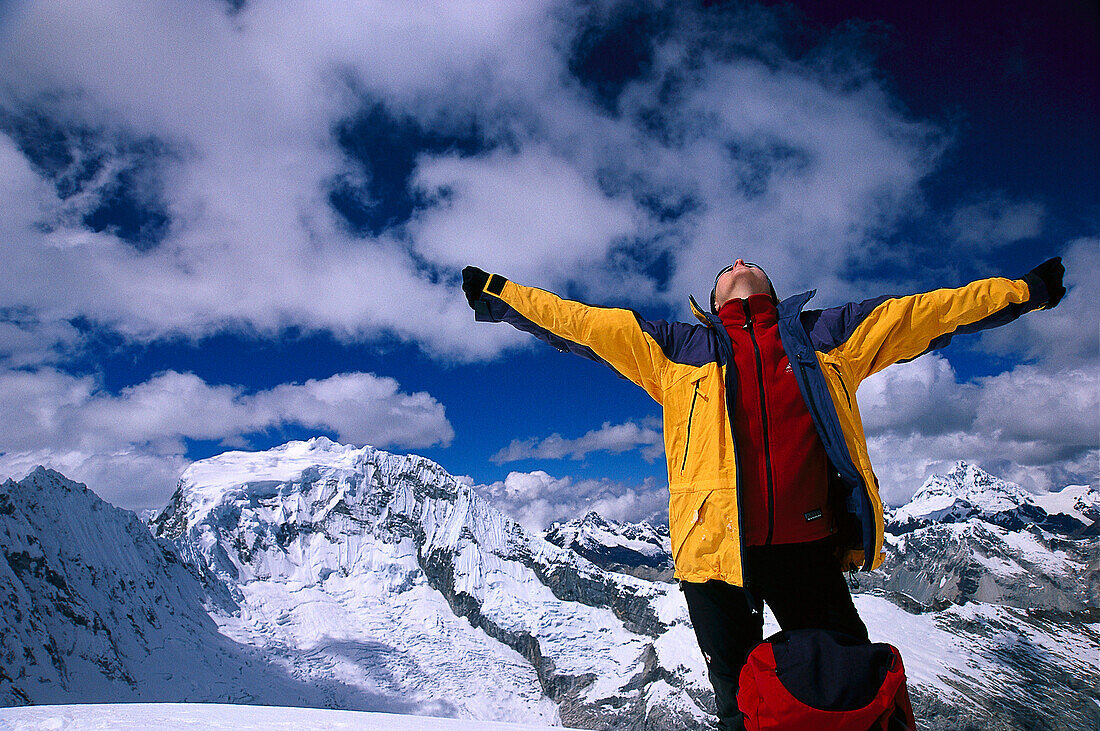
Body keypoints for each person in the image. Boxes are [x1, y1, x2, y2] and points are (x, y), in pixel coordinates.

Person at [461, 256, 1066, 729]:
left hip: (809, 548)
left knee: (848, 686)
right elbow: (581, 322)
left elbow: (929, 312)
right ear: (712, 298)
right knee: (736, 702)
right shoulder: (677, 347)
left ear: (771, 290)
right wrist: (498, 294)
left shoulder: (825, 334)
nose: (738, 260)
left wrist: (1024, 292)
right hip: (712, 559)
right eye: (724, 268)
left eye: (744, 265)